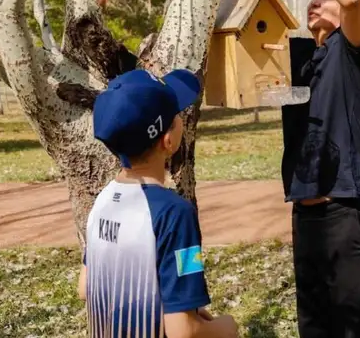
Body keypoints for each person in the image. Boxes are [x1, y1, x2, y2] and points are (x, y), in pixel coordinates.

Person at [258, 0, 360, 338]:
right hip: (305, 215)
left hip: (347, 212)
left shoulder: (355, 51)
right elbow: (241, 55)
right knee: (313, 329)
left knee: (353, 331)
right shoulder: (302, 59)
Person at [77, 68, 239, 338]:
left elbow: (86, 286)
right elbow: (182, 332)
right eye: (178, 115)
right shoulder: (175, 214)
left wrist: (187, 311)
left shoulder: (103, 201)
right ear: (168, 140)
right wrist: (224, 328)